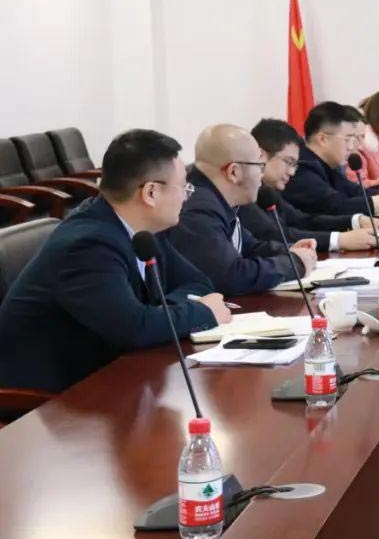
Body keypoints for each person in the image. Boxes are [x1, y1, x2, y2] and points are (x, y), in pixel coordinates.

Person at [0, 130, 230, 394]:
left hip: (104, 371)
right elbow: (134, 329)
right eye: (183, 188)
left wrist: (156, 314)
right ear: (151, 193)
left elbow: (198, 283)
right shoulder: (87, 246)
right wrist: (203, 312)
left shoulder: (144, 228)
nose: (186, 197)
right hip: (47, 399)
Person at [169, 124, 318, 296]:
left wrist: (290, 250)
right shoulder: (199, 207)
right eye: (259, 166)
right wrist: (295, 264)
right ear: (234, 172)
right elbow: (231, 276)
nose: (262, 175)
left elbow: (249, 247)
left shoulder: (218, 198)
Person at [240, 118, 379, 254]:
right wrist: (339, 240)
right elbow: (276, 236)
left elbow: (302, 220)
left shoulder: (268, 190)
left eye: (294, 164)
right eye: (289, 162)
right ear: (261, 156)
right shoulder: (243, 194)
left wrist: (356, 221)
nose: (292, 172)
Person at [284, 102, 379, 217]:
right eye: (348, 139)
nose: (352, 147)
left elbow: (355, 193)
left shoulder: (327, 165)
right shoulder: (302, 168)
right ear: (322, 139)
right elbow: (339, 207)